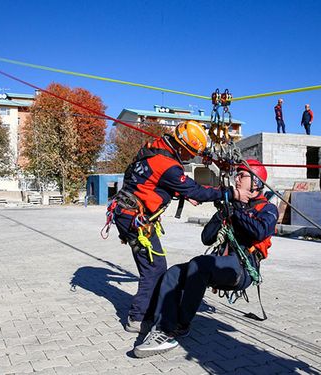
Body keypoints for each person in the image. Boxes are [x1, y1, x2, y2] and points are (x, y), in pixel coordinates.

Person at [108, 121, 254, 334]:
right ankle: (137, 318)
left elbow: (152, 180)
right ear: (183, 147)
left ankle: (146, 310)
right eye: (189, 154)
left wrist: (179, 191)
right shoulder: (169, 166)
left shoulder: (155, 146)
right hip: (134, 217)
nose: (189, 158)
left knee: (154, 266)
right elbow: (196, 190)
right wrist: (231, 193)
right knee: (155, 268)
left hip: (125, 210)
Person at [133, 159, 278, 358]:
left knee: (199, 265)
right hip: (220, 264)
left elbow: (260, 231)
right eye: (237, 175)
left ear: (256, 182)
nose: (236, 179)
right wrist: (221, 214)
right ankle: (162, 326)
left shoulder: (268, 209)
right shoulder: (231, 206)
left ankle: (179, 326)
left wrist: (236, 211)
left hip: (242, 269)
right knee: (174, 272)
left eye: (242, 175)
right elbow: (206, 238)